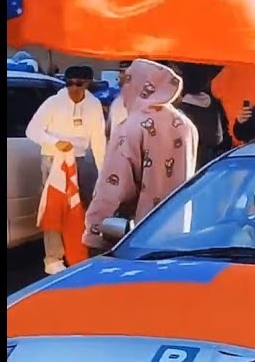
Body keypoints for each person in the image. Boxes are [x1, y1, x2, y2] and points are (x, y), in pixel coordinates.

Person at [84, 59, 198, 250]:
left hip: (136, 239)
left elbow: (115, 186)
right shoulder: (185, 125)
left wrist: (95, 231)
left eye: (126, 83)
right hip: (177, 236)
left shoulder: (130, 126)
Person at [25, 65, 106, 274]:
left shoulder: (94, 105)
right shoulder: (53, 103)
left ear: (88, 84)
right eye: (69, 83)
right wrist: (55, 142)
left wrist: (104, 171)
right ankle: (53, 258)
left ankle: (79, 252)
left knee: (82, 207)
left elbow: (98, 140)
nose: (73, 88)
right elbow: (32, 130)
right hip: (54, 158)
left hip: (81, 159)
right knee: (54, 206)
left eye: (78, 84)